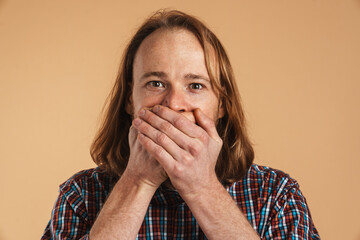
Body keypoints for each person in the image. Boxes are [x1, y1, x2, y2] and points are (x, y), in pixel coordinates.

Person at [41, 10, 320, 240]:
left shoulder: (277, 195)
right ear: (129, 99)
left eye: (195, 85)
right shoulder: (79, 195)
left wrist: (201, 188)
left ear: (222, 104)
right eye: (156, 83)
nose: (174, 104)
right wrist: (139, 180)